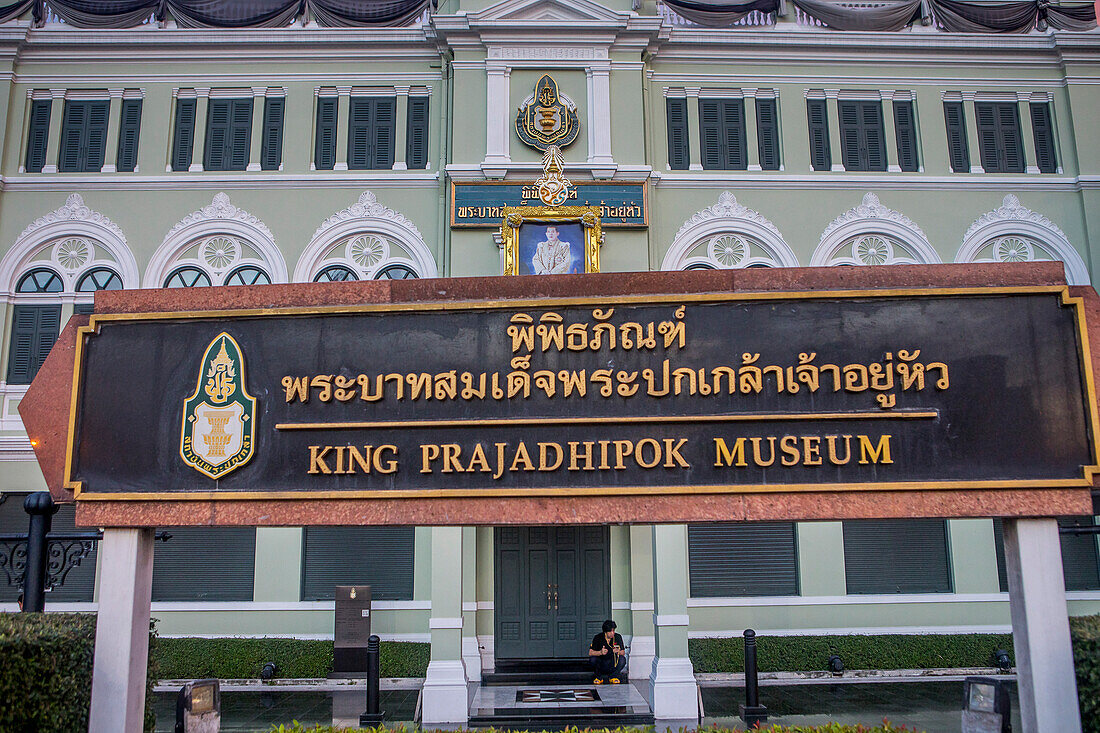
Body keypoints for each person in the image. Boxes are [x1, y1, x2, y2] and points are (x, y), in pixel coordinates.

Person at [589, 619, 627, 684]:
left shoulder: (617, 637)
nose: (613, 633)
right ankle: (599, 677)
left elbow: (623, 652)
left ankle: (613, 676)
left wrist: (617, 651)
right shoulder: (598, 637)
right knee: (592, 659)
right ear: (605, 632)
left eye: (613, 631)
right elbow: (590, 652)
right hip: (602, 662)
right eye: (610, 631)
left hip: (613, 662)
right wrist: (600, 652)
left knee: (622, 659)